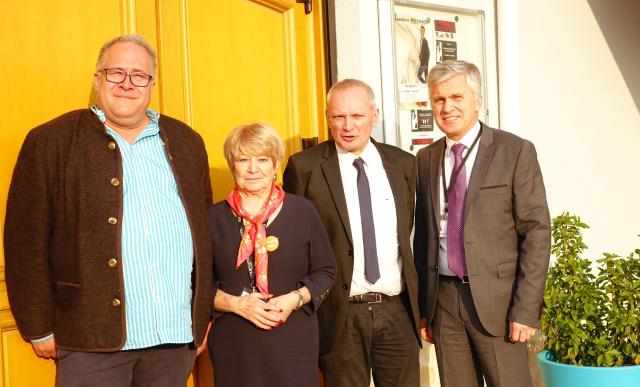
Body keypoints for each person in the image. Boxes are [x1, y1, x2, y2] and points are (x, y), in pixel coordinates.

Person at [4, 34, 213, 386]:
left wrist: (202, 314)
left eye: (139, 75)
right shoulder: (50, 141)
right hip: (90, 341)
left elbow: (205, 237)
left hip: (174, 340)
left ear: (151, 84)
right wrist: (37, 325)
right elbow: (25, 241)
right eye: (116, 72)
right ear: (97, 78)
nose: (127, 84)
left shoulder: (186, 142)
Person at [414, 60, 551, 387]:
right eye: (439, 99)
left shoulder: (514, 151)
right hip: (444, 303)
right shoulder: (425, 160)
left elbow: (536, 232)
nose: (447, 107)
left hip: (500, 304)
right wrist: (425, 308)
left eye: (456, 97)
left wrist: (525, 308)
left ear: (477, 100)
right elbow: (423, 239)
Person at [283, 79, 421, 387]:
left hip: (397, 311)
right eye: (338, 117)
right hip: (338, 314)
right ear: (328, 118)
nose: (347, 125)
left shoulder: (403, 164)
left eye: (357, 116)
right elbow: (295, 244)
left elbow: (408, 231)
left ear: (374, 115)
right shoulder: (304, 167)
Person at [207, 122, 336, 387]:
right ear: (232, 165)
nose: (253, 168)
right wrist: (235, 304)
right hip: (235, 345)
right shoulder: (212, 218)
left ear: (276, 164)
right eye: (244, 159)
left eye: (262, 159)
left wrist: (294, 299)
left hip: (293, 341)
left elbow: (326, 271)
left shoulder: (303, 211)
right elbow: (195, 284)